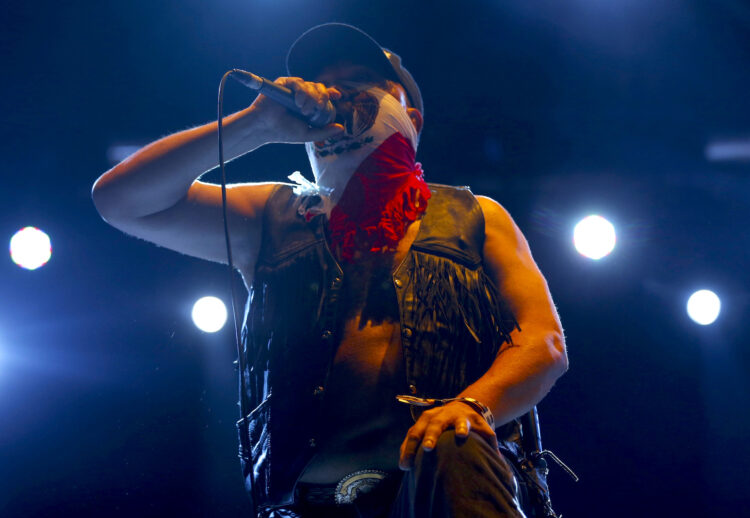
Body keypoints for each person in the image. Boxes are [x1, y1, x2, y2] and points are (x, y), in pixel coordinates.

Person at [92, 23, 567, 518]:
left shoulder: (476, 216)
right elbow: (120, 201)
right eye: (329, 84)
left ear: (413, 118)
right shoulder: (273, 216)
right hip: (310, 507)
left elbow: (544, 343)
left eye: (364, 79)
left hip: (439, 491)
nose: (342, 93)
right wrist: (255, 126)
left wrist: (474, 406)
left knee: (456, 442)